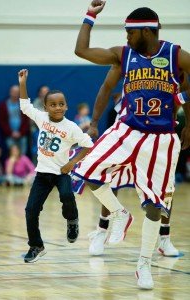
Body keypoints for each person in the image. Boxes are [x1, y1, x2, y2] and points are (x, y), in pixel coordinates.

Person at [74, 1, 190, 289]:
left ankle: (144, 265)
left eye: (129, 32)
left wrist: (188, 119)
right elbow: (82, 51)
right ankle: (118, 213)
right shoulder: (123, 55)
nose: (125, 37)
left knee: (154, 206)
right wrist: (90, 16)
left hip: (162, 139)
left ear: (146, 32)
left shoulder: (175, 54)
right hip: (126, 130)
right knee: (86, 169)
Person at [88, 70, 190, 258]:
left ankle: (164, 238)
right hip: (130, 132)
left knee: (167, 189)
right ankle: (102, 230)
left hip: (158, 137)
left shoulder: (175, 74)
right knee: (111, 180)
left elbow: (181, 99)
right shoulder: (134, 66)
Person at [18, 69, 93, 263]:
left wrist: (71, 163)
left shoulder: (71, 128)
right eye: (53, 104)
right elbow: (25, 105)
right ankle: (36, 245)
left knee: (67, 196)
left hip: (61, 173)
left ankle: (72, 221)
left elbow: (88, 145)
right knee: (30, 210)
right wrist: (23, 82)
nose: (57, 107)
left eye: (61, 104)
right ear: (46, 107)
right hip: (42, 174)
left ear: (66, 106)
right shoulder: (41, 118)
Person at [0, 85, 30, 155]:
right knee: (12, 155)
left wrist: (20, 133)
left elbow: (27, 121)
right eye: (14, 92)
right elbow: (2, 121)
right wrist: (11, 133)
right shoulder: (3, 105)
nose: (15, 94)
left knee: (22, 156)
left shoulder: (23, 105)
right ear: (10, 92)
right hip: (9, 135)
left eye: (17, 92)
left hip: (22, 135)